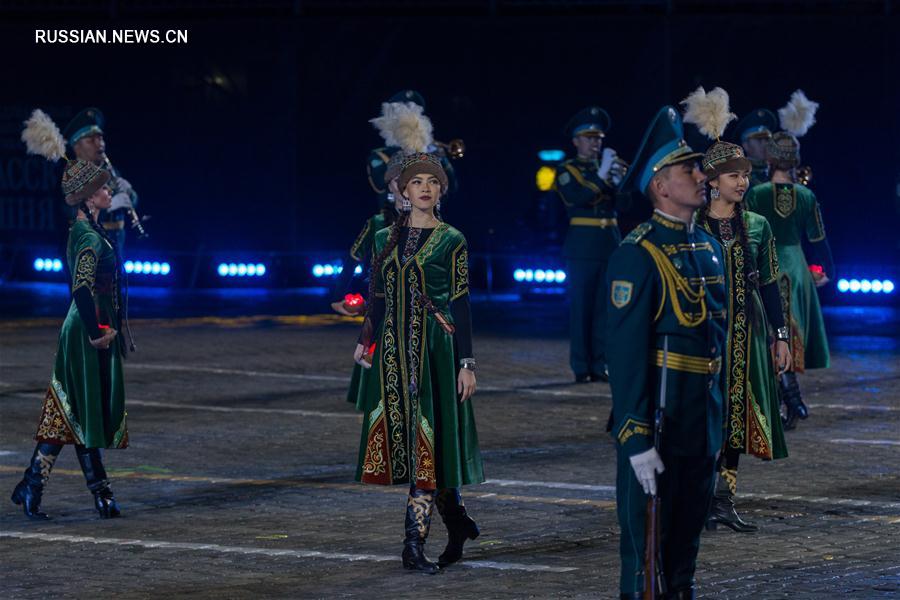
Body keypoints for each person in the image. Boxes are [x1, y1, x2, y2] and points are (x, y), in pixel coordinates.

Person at [608, 106, 727, 599]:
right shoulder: (637, 253)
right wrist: (634, 437)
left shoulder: (707, 246)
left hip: (701, 421)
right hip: (658, 421)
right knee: (645, 562)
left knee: (684, 556)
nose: (702, 176)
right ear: (659, 185)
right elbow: (627, 354)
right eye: (689, 170)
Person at [353, 152, 483, 573]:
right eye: (417, 182)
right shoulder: (384, 237)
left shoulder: (452, 240)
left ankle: (413, 545)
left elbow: (461, 302)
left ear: (441, 190)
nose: (425, 187)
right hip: (393, 353)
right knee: (418, 447)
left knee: (430, 444)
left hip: (435, 354)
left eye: (433, 181)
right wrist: (365, 342)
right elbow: (377, 296)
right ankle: (458, 523)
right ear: (404, 191)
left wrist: (467, 362)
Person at [682, 87, 790, 533]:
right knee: (699, 416)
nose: (742, 182)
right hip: (701, 337)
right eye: (732, 175)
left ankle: (723, 500)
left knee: (735, 415)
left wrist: (780, 336)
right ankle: (695, 498)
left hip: (745, 335)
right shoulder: (692, 225)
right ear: (711, 181)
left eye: (745, 174)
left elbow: (768, 284)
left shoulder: (758, 225)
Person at [13, 110, 130, 520]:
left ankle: (34, 485)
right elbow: (80, 287)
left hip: (87, 323)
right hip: (84, 326)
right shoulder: (85, 236)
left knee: (73, 412)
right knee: (81, 411)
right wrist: (98, 330)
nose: (107, 191)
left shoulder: (92, 231)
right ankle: (100, 494)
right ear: (87, 197)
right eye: (101, 189)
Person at [745, 90, 832, 430]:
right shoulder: (808, 195)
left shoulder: (756, 192)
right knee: (789, 331)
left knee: (771, 331)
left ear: (769, 160)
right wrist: (829, 273)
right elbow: (820, 241)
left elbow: (749, 233)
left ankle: (789, 400)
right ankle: (790, 399)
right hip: (796, 265)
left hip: (768, 262)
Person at [555, 106, 628, 383]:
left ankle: (601, 364)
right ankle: (581, 366)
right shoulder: (567, 170)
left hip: (609, 243)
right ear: (576, 141)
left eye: (598, 138)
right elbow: (577, 198)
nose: (595, 143)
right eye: (588, 137)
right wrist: (604, 175)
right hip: (582, 247)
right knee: (582, 309)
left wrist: (620, 183)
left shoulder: (609, 169)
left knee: (605, 310)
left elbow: (626, 204)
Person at [63, 107, 141, 256]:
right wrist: (108, 206)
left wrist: (130, 194)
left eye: (100, 138)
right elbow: (72, 210)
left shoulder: (111, 171)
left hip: (115, 245)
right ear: (77, 147)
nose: (99, 143)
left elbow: (128, 202)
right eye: (91, 140)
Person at [729, 108, 777, 187]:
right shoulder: (738, 176)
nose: (765, 144)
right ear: (746, 145)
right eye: (759, 140)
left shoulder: (776, 171)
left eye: (767, 139)